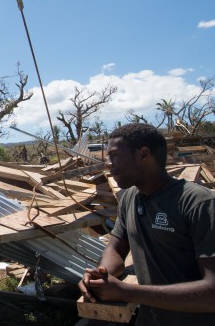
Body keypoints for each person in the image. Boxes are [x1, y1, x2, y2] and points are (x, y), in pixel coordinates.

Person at [79, 123, 215, 325]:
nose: (108, 163)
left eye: (114, 155)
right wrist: (101, 275)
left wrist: (128, 292)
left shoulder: (197, 203)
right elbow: (116, 246)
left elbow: (211, 294)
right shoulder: (130, 198)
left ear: (143, 155)